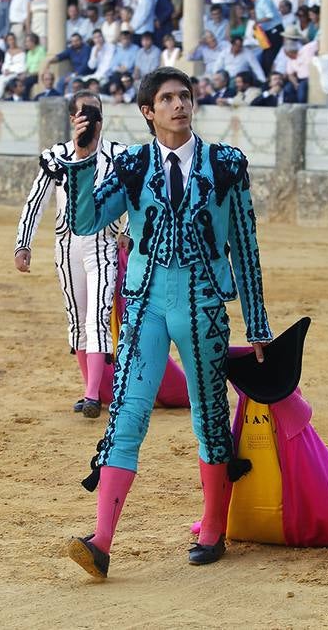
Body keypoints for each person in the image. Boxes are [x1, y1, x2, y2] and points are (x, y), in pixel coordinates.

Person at [61, 67, 272, 578]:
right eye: (169, 99)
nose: (180, 105)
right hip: (145, 304)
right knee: (128, 415)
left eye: (186, 96)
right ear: (147, 112)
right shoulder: (132, 164)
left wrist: (258, 322)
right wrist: (84, 158)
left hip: (202, 302)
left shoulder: (224, 163)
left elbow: (243, 243)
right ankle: (102, 541)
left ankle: (212, 527)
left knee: (208, 416)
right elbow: (86, 219)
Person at [15, 91, 125, 418]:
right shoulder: (58, 156)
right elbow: (36, 202)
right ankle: (90, 388)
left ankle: (93, 395)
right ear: (71, 119)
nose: (91, 120)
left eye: (96, 114)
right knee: (77, 320)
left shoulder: (120, 155)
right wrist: (24, 243)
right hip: (68, 245)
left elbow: (139, 197)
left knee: (98, 317)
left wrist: (130, 232)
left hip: (103, 243)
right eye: (83, 114)